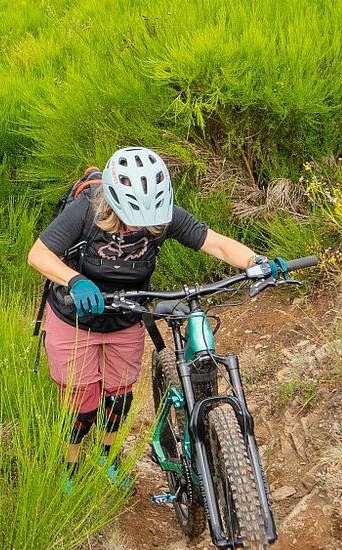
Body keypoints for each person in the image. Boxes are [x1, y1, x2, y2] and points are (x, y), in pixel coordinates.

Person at [27, 146, 271, 489]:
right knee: (81, 402)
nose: (141, 226)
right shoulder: (85, 211)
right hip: (75, 318)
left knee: (119, 396)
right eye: (133, 218)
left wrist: (254, 262)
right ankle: (70, 463)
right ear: (113, 203)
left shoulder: (163, 215)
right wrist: (75, 280)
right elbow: (39, 254)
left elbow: (215, 243)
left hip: (127, 317)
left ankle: (106, 455)